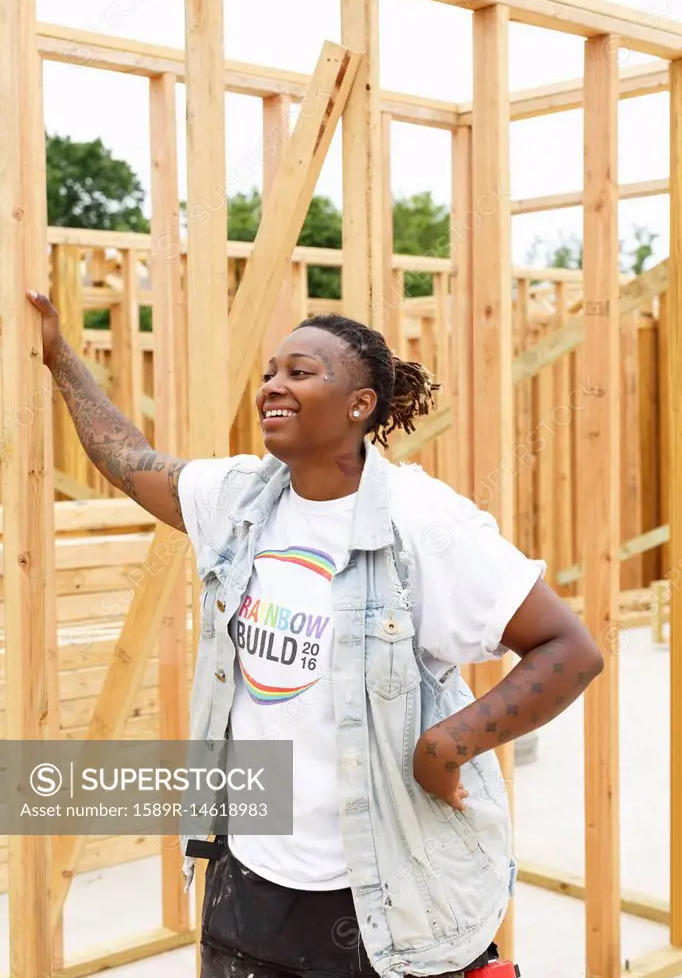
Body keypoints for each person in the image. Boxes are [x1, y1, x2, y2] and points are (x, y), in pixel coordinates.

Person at [29, 290, 604, 978]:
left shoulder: (423, 524)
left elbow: (571, 650)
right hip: (250, 884)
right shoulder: (241, 497)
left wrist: (449, 746)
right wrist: (60, 357)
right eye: (271, 371)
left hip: (385, 896)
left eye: (300, 372)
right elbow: (128, 460)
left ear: (360, 405)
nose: (274, 384)